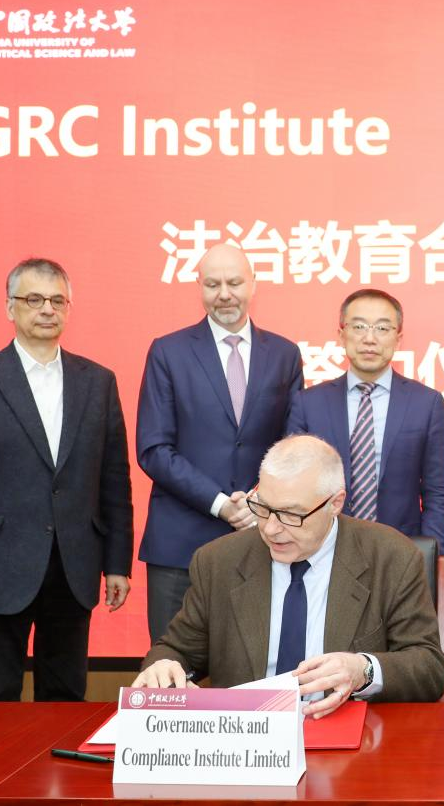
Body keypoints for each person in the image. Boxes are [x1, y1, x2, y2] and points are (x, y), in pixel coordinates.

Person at [0, 257, 133, 701]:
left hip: (74, 569)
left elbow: (115, 481)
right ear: (9, 307)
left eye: (57, 300)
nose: (47, 309)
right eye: (34, 299)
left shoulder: (98, 382)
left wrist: (117, 563)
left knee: (65, 703)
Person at [132, 435, 444, 717]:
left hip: (349, 738)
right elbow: (175, 651)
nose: (271, 529)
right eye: (263, 508)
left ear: (335, 503)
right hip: (246, 741)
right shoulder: (219, 561)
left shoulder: (390, 556)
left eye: (290, 515)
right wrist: (165, 667)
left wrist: (363, 669)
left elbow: (428, 667)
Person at [136, 243, 303, 643]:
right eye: (212, 284)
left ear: (254, 284)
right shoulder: (168, 351)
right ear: (199, 286)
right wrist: (221, 504)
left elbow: (294, 443)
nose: (224, 294)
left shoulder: (284, 354)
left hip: (262, 540)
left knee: (253, 662)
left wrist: (257, 501)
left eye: (234, 282)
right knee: (173, 663)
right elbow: (154, 449)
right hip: (179, 545)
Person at [285, 289, 444, 552]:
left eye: (382, 328)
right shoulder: (309, 403)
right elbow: (294, 483)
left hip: (400, 551)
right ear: (341, 335)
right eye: (359, 326)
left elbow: (437, 493)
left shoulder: (426, 403)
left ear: (398, 339)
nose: (369, 338)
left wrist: (431, 557)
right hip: (322, 550)